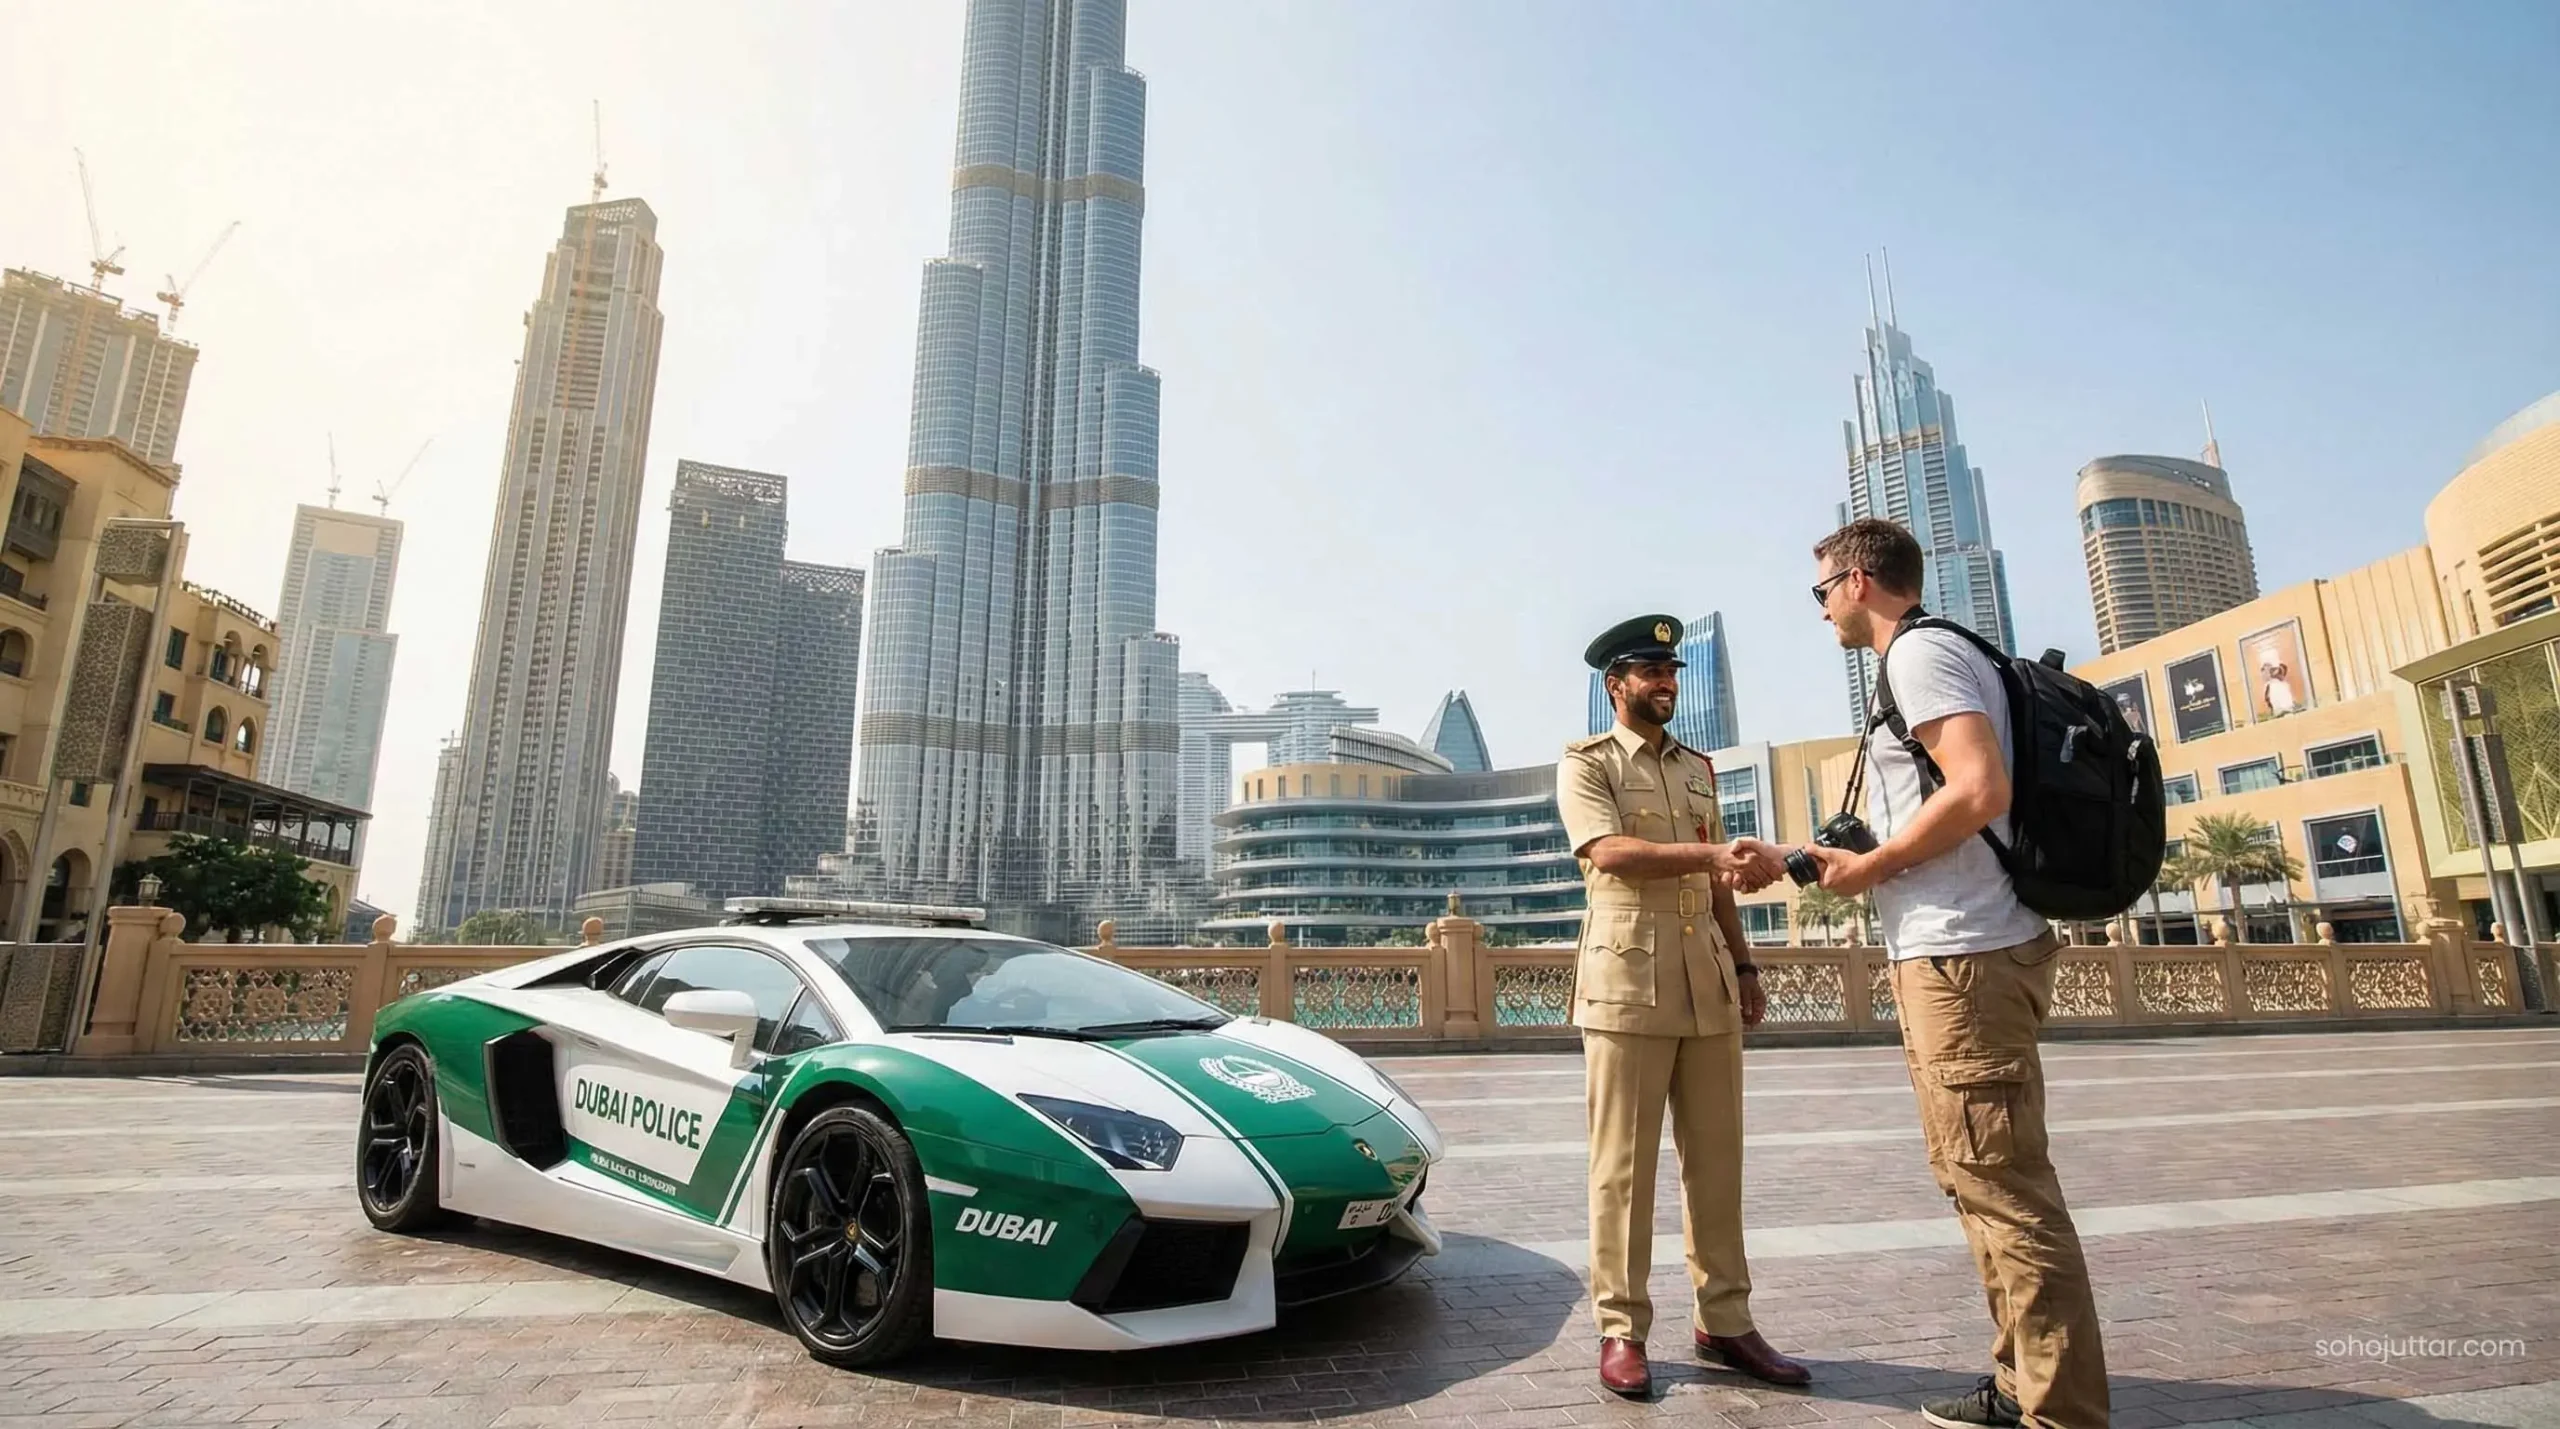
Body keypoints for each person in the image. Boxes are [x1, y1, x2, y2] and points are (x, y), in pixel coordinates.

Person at [1749, 520, 2108, 1428]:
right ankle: (2022, 1381)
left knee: (2006, 1185)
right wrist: (1798, 859)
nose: (1822, 606)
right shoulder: (1928, 660)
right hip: (1953, 952)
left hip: (1966, 956)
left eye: (1822, 588)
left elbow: (1977, 788)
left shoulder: (1921, 656)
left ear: (1860, 580)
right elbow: (1918, 817)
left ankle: (2060, 1410)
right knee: (1974, 1174)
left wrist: (1867, 872)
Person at [1556, 615, 1810, 1399]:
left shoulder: (1697, 768)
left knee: (1717, 1165)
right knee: (1622, 1170)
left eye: (1672, 671)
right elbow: (1610, 854)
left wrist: (1746, 967)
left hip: (1707, 987)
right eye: (1650, 672)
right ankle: (1622, 1327)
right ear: (1615, 685)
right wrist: (1711, 853)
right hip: (1627, 986)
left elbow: (1716, 881)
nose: (1666, 682)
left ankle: (1725, 1320)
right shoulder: (1585, 763)